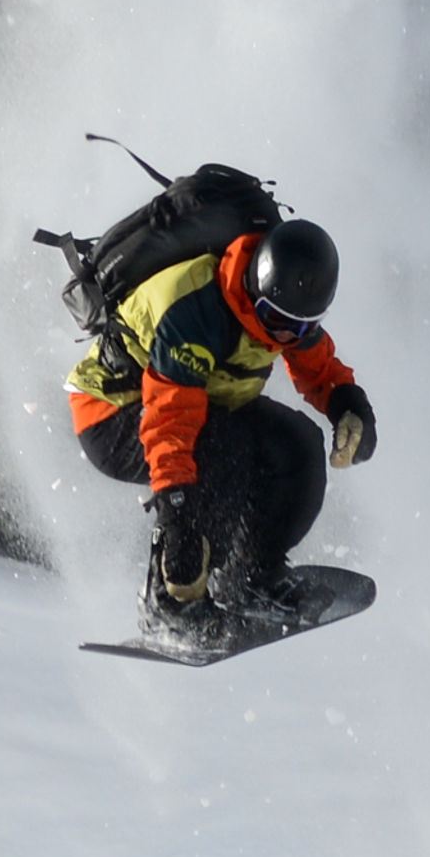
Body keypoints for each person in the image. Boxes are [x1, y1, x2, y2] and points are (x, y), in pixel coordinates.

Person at [66, 216, 377, 616]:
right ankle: (171, 600)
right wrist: (178, 523)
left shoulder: (286, 314)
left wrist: (349, 407)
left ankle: (250, 575)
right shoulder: (197, 311)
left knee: (297, 444)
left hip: (204, 408)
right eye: (277, 321)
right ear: (254, 289)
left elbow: (319, 367)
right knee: (221, 448)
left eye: (300, 329)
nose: (284, 337)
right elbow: (170, 422)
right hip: (112, 412)